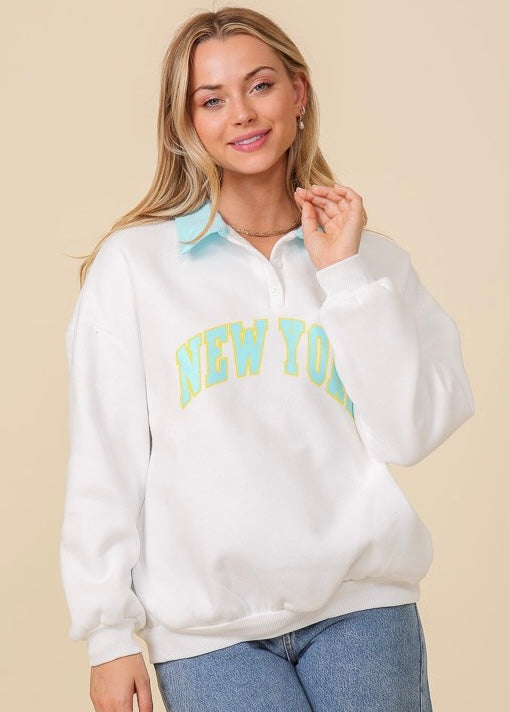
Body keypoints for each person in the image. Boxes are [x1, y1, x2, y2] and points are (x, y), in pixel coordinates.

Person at [60, 6, 475, 712]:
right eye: (211, 99)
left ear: (298, 92)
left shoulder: (370, 262)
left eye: (260, 85)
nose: (242, 114)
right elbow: (105, 458)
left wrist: (344, 276)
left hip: (362, 608)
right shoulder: (135, 267)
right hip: (207, 635)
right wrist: (108, 634)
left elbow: (410, 434)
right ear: (186, 122)